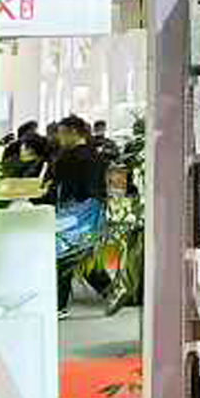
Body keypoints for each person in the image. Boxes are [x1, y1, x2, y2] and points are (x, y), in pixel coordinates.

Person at [44, 116, 111, 309]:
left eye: (62, 134)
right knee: (82, 252)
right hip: (92, 210)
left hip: (75, 212)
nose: (59, 138)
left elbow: (61, 185)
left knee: (64, 253)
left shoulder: (69, 157)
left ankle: (59, 304)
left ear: (73, 132)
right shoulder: (95, 155)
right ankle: (110, 290)